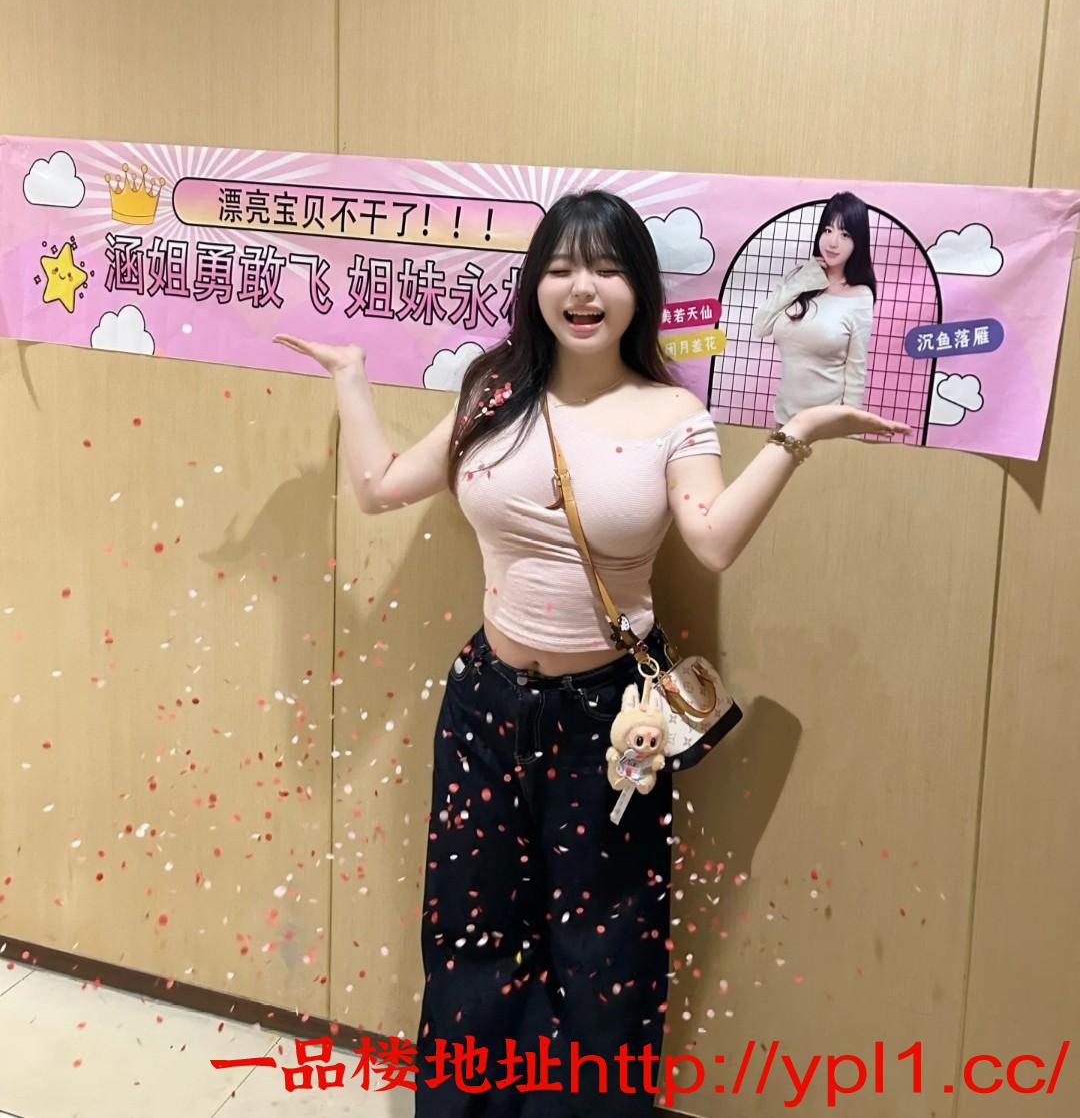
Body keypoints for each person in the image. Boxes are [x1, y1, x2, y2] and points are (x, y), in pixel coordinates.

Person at [273, 189, 910, 1116]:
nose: (583, 289)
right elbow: (378, 489)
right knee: (470, 933)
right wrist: (351, 375)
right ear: (535, 283)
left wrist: (796, 435)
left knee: (603, 951)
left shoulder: (672, 413)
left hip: (611, 726)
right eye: (563, 267)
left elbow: (713, 541)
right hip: (484, 705)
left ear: (637, 290)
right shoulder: (493, 391)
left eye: (607, 269)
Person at [750, 192, 878, 427]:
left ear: (858, 241)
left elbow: (856, 369)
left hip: (826, 425)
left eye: (844, 234)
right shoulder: (800, 278)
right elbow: (760, 327)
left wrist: (849, 431)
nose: (832, 242)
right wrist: (802, 281)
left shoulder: (860, 296)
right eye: (828, 230)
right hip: (784, 419)